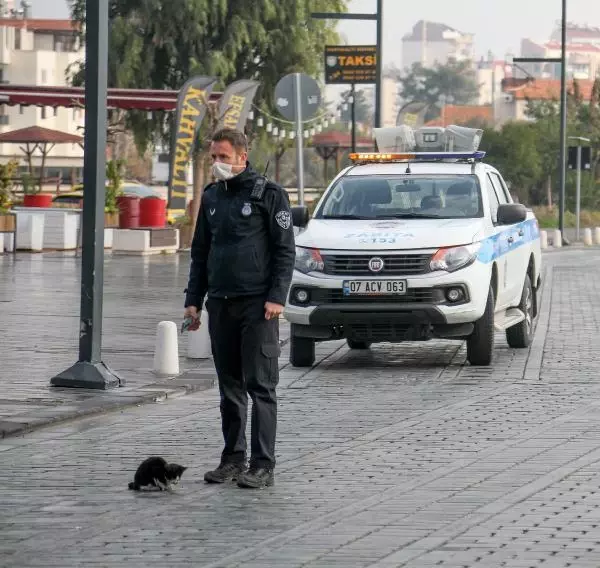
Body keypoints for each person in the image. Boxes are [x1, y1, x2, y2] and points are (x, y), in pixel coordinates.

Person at [183, 128, 296, 489]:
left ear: (242, 157)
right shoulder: (212, 196)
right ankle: (232, 458)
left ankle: (263, 465)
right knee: (229, 385)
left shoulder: (269, 195)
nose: (217, 163)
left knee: (260, 385)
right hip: (221, 303)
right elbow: (200, 252)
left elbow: (284, 251)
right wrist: (193, 300)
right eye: (213, 157)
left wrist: (277, 296)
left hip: (258, 306)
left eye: (224, 157)